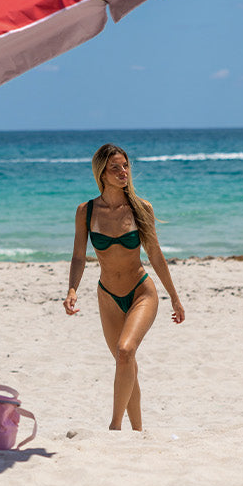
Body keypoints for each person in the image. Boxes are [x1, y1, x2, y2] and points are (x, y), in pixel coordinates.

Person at [65, 143, 185, 431]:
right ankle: (138, 432)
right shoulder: (86, 210)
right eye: (115, 167)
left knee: (125, 350)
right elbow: (79, 256)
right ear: (101, 173)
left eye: (125, 166)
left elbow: (155, 255)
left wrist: (175, 298)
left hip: (141, 292)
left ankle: (114, 428)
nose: (123, 172)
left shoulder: (141, 208)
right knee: (125, 361)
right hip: (107, 296)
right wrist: (71, 290)